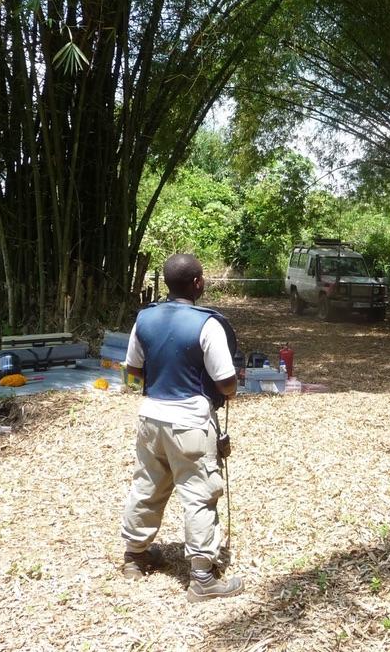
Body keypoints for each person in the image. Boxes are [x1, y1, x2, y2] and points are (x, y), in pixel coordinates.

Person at [120, 253, 244, 601]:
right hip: (190, 422)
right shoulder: (208, 324)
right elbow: (226, 380)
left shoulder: (144, 318)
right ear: (197, 283)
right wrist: (231, 391)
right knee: (200, 494)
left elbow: (133, 370)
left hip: (150, 417)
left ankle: (135, 556)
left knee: (147, 486)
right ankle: (203, 578)